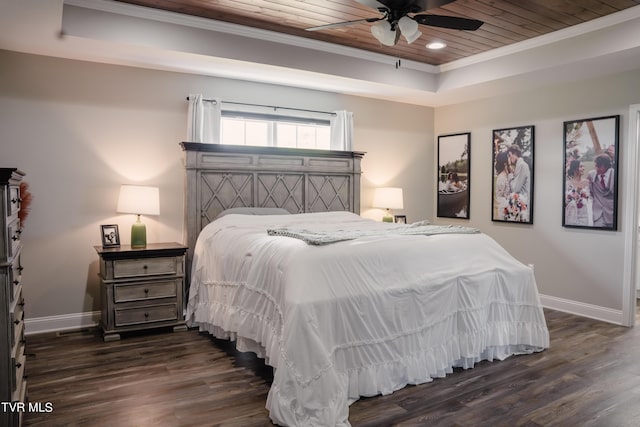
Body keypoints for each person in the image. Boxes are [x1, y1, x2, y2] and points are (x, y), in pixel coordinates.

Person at [588, 153, 615, 228]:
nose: (595, 168)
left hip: (612, 213)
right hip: (597, 214)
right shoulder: (591, 174)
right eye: (596, 165)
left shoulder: (616, 175)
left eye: (598, 166)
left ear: (605, 166)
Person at [564, 159, 592, 226]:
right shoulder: (568, 184)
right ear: (574, 168)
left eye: (583, 166)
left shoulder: (587, 182)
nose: (583, 169)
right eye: (581, 166)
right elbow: (565, 202)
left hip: (585, 215)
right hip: (571, 216)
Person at [494, 151, 511, 219]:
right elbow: (499, 198)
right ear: (505, 163)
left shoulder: (506, 175)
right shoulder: (501, 178)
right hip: (504, 211)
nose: (510, 158)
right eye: (508, 157)